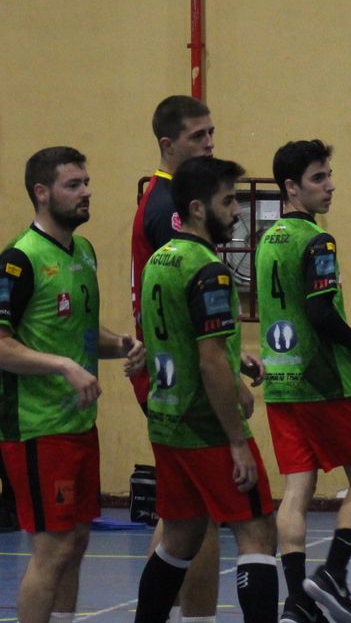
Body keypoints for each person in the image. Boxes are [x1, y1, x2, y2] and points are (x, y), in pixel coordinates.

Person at [0, 146, 143, 623]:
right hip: (37, 428)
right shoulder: (19, 261)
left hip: (81, 423)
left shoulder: (83, 252)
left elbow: (83, 334)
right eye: (73, 185)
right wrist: (62, 366)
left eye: (86, 183)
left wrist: (122, 344)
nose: (86, 193)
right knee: (52, 549)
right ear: (41, 193)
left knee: (78, 541)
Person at [133, 156, 277, 623]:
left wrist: (235, 356)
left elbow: (180, 333)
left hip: (167, 423)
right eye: (228, 200)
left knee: (180, 537)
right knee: (256, 531)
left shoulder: (159, 260)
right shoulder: (208, 270)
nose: (237, 210)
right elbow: (208, 357)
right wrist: (237, 441)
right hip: (207, 428)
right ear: (198, 208)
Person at [255, 140, 351, 623]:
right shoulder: (317, 241)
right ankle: (333, 573)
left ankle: (296, 603)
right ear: (291, 187)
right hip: (324, 383)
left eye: (329, 175)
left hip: (281, 385)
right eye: (318, 179)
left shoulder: (266, 240)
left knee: (296, 491)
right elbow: (321, 313)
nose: (330, 186)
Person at [131, 94, 223, 623]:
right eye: (198, 137)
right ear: (168, 145)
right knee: (199, 514)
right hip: (174, 378)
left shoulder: (170, 199)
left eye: (212, 133)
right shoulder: (170, 211)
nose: (210, 144)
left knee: (183, 515)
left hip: (168, 373)